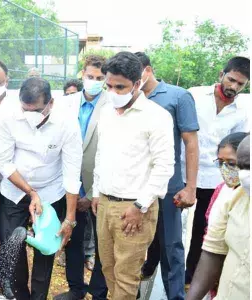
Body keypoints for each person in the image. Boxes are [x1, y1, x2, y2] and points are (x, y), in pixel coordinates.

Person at [91, 52, 175, 299]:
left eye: (120, 87)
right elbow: (100, 155)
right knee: (108, 270)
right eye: (109, 86)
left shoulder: (156, 116)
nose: (113, 92)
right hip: (105, 204)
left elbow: (164, 166)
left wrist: (140, 206)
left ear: (137, 84)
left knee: (127, 277)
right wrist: (97, 192)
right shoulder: (106, 112)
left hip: (134, 209)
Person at [0, 77, 82, 299]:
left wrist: (69, 219)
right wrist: (30, 192)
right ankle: (20, 295)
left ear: (51, 103)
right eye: (25, 109)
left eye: (35, 110)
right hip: (14, 192)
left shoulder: (67, 123)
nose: (29, 115)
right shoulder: (7, 117)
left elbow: (72, 172)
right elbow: (4, 162)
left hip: (51, 194)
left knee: (45, 250)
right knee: (13, 248)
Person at [134, 52, 200, 300]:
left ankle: (174, 296)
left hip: (168, 185)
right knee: (136, 244)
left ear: (147, 70)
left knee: (171, 246)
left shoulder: (177, 96)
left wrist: (190, 187)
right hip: (135, 186)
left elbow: (191, 143)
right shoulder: (128, 97)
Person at [183, 56, 250, 288]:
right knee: (168, 224)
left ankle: (191, 274)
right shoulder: (193, 95)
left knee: (204, 227)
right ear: (221, 75)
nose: (233, 87)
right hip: (184, 172)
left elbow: (239, 145)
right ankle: (152, 265)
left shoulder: (243, 109)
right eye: (231, 80)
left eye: (240, 84)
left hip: (215, 176)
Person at [53, 55, 109, 300]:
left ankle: (98, 291)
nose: (94, 81)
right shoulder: (66, 103)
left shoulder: (112, 105)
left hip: (101, 185)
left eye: (99, 78)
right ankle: (76, 289)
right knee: (73, 237)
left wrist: (94, 191)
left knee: (102, 243)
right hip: (70, 182)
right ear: (82, 74)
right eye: (90, 77)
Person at [187, 135, 250, 300]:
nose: (226, 169)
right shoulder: (228, 195)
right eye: (221, 163)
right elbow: (213, 249)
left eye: (231, 163)